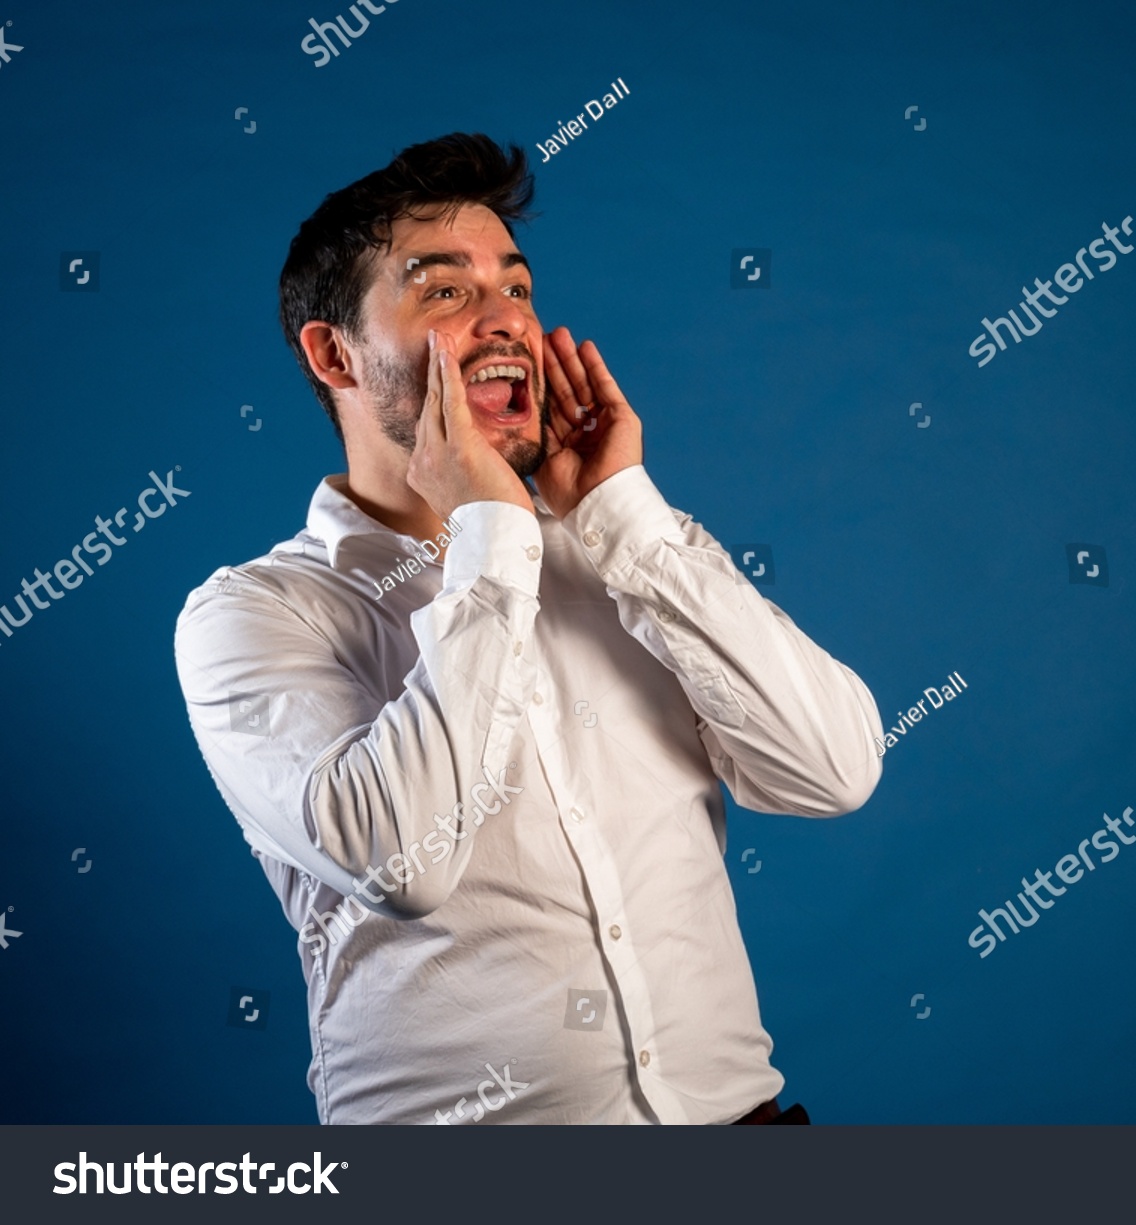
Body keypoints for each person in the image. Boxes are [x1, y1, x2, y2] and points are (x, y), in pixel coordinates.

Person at [173, 132, 882, 1124]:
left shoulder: (630, 545)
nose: (506, 319)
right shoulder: (251, 615)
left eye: (516, 286)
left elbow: (832, 771)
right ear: (334, 352)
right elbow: (400, 864)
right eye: (446, 292)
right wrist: (492, 534)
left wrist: (625, 517)